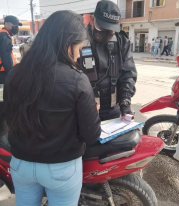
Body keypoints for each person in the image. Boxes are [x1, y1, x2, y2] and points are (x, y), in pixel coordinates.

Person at [3, 11, 101, 206]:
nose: (79, 53)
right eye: (79, 48)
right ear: (68, 44)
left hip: (21, 164)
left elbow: (9, 116)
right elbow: (91, 135)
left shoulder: (15, 74)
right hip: (60, 168)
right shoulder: (77, 80)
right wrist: (93, 113)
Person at [80, 0, 137, 121]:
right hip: (86, 111)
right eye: (102, 26)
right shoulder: (78, 40)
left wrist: (125, 101)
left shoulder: (121, 41)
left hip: (114, 111)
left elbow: (128, 74)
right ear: (91, 19)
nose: (107, 32)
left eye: (110, 29)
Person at [0, 15, 21, 84]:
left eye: (17, 26)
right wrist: (11, 74)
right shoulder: (4, 37)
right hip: (3, 71)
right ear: (6, 25)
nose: (16, 28)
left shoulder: (3, 35)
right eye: (15, 25)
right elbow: (6, 57)